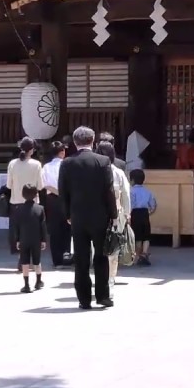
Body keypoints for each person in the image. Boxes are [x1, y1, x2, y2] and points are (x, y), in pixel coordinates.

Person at [58, 126, 118, 309]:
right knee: (101, 255)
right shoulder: (103, 161)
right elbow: (109, 190)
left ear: (75, 143)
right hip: (100, 215)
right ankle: (102, 296)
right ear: (93, 141)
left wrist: (67, 214)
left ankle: (84, 299)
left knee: (81, 258)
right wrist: (113, 214)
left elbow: (63, 191)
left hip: (77, 215)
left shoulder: (67, 163)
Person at [97, 140, 131, 285]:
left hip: (96, 213)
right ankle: (110, 278)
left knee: (97, 247)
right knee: (113, 248)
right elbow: (126, 194)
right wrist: (127, 213)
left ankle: (102, 278)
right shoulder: (118, 173)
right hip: (116, 213)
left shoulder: (94, 172)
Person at [7, 137, 44, 260]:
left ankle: (20, 258)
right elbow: (40, 185)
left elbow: (8, 185)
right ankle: (31, 260)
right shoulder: (37, 164)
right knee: (33, 232)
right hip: (33, 203)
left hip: (16, 201)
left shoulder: (12, 164)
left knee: (17, 231)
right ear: (32, 150)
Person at [12, 184, 48, 293]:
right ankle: (38, 281)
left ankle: (26, 285)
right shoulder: (40, 209)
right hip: (36, 239)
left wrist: (17, 239)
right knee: (37, 261)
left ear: (23, 195)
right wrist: (43, 240)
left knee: (25, 262)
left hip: (24, 239)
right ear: (36, 194)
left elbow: (16, 226)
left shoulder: (18, 209)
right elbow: (43, 226)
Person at [41, 141, 70, 268]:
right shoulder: (67, 165)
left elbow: (44, 184)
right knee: (67, 228)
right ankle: (66, 256)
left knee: (54, 229)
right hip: (66, 197)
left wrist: (56, 192)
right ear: (62, 152)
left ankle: (56, 260)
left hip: (51, 199)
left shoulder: (46, 166)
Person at [128, 168, 157, 266]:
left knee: (138, 237)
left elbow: (131, 205)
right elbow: (153, 204)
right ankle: (145, 253)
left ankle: (138, 256)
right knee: (146, 236)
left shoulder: (131, 191)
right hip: (145, 213)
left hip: (135, 214)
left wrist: (128, 215)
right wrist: (150, 212)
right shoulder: (148, 191)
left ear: (131, 180)